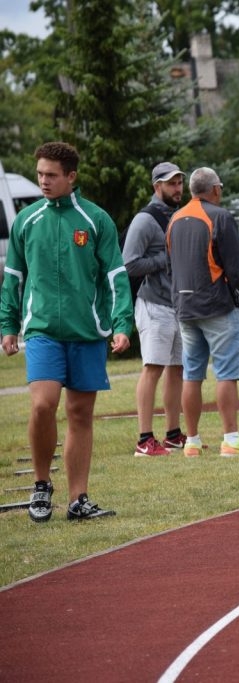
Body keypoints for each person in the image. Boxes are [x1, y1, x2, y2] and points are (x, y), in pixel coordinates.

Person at [0, 141, 132, 522]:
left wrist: (122, 325)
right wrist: (8, 325)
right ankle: (41, 485)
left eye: (51, 175)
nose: (43, 181)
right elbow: (13, 279)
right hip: (42, 330)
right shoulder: (26, 221)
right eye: (40, 173)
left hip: (88, 332)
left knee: (79, 414)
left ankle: (78, 499)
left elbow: (115, 276)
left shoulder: (96, 220)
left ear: (71, 177)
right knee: (43, 404)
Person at [166, 167, 239, 457]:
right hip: (217, 304)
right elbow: (237, 265)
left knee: (192, 375)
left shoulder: (175, 218)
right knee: (226, 373)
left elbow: (171, 265)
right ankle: (231, 438)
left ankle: (193, 441)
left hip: (185, 306)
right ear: (216, 190)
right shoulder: (219, 216)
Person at [122, 161, 186, 457]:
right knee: (153, 369)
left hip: (176, 305)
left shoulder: (178, 214)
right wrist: (165, 260)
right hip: (153, 305)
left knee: (177, 369)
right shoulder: (145, 220)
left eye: (180, 182)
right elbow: (129, 263)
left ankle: (173, 434)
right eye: (171, 183)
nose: (177, 188)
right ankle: (144, 439)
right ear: (156, 186)